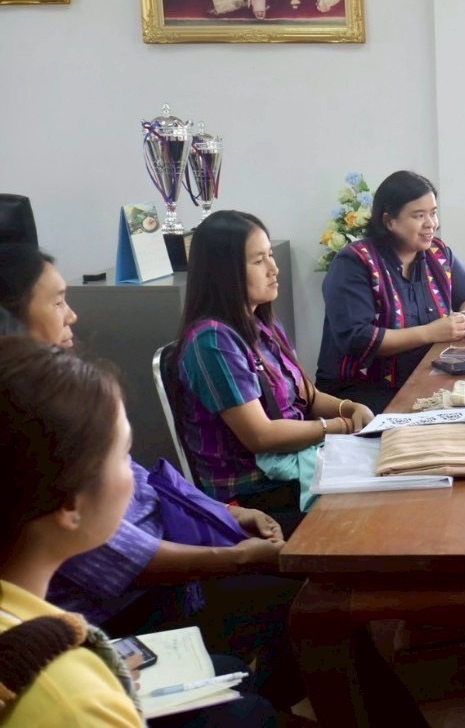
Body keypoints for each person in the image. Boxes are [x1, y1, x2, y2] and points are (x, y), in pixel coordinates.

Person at [0, 242, 302, 712]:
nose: (73, 315)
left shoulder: (68, 396)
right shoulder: (31, 425)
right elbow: (129, 556)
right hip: (130, 604)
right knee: (297, 608)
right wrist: (241, 559)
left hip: (156, 581)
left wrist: (223, 514)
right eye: (58, 300)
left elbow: (149, 485)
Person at [178, 211, 373, 519]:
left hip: (293, 468)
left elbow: (309, 397)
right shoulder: (212, 340)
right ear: (223, 273)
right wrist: (341, 427)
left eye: (270, 255)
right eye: (259, 261)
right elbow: (261, 436)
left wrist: (349, 408)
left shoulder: (262, 323)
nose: (274, 268)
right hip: (254, 493)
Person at [317, 170, 465, 414]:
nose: (431, 224)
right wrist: (430, 332)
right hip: (361, 393)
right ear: (389, 221)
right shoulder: (354, 263)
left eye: (433, 213)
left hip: (424, 375)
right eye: (418, 216)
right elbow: (359, 337)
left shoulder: (438, 254)